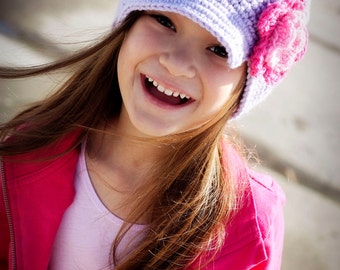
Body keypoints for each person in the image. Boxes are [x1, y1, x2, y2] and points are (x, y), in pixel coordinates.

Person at [0, 0, 310, 269]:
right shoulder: (30, 148)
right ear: (128, 25)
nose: (176, 65)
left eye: (218, 49)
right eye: (164, 21)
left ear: (247, 82)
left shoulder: (248, 226)